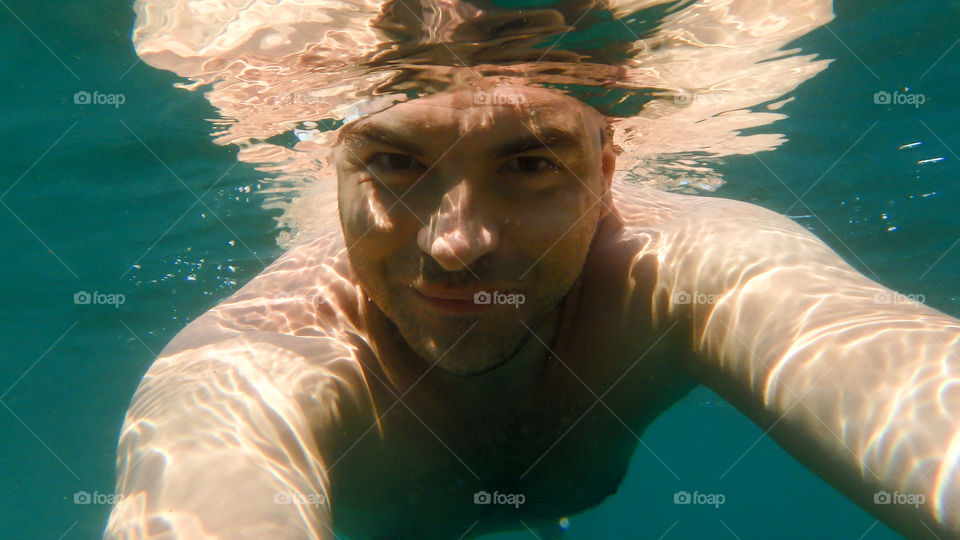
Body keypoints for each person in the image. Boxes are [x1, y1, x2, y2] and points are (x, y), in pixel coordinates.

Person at [105, 81, 960, 539]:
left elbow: (894, 374)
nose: (454, 245)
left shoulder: (682, 267)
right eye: (396, 163)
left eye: (528, 164)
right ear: (334, 174)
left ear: (608, 170)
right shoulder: (258, 356)